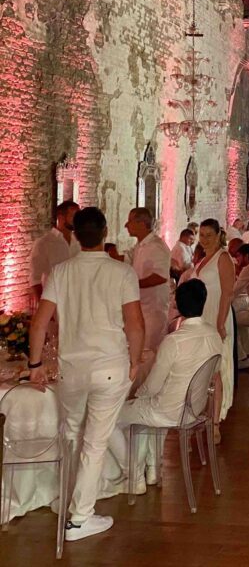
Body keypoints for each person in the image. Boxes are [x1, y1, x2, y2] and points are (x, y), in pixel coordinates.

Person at [27, 207, 144, 541]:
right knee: (94, 443)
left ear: (75, 235)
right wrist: (135, 360)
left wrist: (35, 364)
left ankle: (68, 499)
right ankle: (79, 518)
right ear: (105, 232)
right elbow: (135, 324)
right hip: (109, 366)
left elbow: (39, 322)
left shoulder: (61, 272)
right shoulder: (121, 272)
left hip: (72, 369)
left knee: (73, 434)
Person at [108, 279, 223, 491]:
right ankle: (153, 469)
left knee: (108, 418)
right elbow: (214, 376)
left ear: (177, 305)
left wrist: (137, 394)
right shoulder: (214, 335)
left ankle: (133, 474)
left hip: (170, 412)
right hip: (195, 409)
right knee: (151, 405)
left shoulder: (174, 341)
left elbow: (152, 386)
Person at [194, 219, 236, 440]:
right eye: (201, 235)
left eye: (209, 235)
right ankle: (202, 415)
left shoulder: (223, 258)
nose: (204, 239)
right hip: (202, 317)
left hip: (216, 316)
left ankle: (216, 422)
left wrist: (220, 323)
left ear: (219, 235)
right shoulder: (202, 259)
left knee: (217, 371)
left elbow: (228, 292)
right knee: (202, 369)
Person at [125, 208, 171, 356]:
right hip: (141, 307)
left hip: (153, 310)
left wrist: (133, 285)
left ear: (141, 224)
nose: (126, 225)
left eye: (130, 221)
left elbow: (160, 276)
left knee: (149, 352)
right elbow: (127, 260)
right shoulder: (140, 246)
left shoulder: (156, 246)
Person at [29, 199, 80, 304]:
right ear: (61, 217)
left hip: (76, 301)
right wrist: (43, 306)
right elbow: (35, 279)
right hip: (54, 302)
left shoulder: (79, 242)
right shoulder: (44, 243)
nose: (77, 220)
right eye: (74, 216)